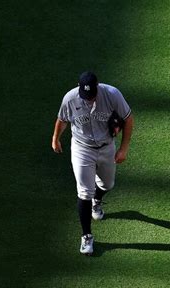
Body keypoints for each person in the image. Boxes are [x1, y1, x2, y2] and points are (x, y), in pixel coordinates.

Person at [51, 71, 134, 255]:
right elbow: (62, 119)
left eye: (91, 95)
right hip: (82, 148)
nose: (88, 100)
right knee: (84, 192)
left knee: (107, 184)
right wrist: (56, 138)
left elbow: (128, 119)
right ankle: (86, 236)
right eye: (85, 95)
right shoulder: (71, 98)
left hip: (107, 147)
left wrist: (124, 148)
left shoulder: (112, 94)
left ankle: (98, 200)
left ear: (98, 86)